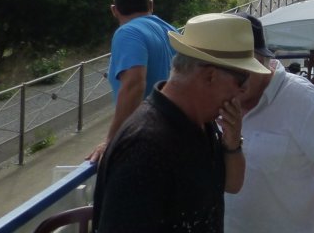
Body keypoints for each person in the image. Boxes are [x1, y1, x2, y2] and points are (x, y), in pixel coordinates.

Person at [92, 12, 270, 232]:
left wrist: (232, 142)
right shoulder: (144, 146)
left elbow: (232, 184)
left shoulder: (202, 123)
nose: (243, 89)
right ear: (210, 76)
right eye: (241, 78)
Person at [225, 13, 314, 233]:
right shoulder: (220, 95)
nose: (234, 80)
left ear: (262, 62)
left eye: (243, 70)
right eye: (227, 69)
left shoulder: (302, 98)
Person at [87, 0, 177, 163]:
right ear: (150, 5)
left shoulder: (128, 33)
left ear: (114, 10)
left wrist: (112, 139)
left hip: (147, 139)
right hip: (173, 132)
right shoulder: (170, 30)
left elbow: (134, 85)